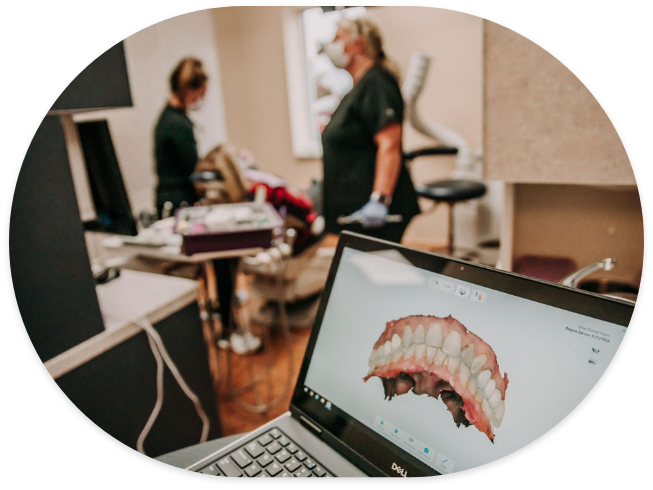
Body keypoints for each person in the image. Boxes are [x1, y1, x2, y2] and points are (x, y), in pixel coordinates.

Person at [320, 16, 420, 243]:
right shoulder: (359, 86)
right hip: (355, 213)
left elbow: (390, 144)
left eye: (338, 38)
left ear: (359, 44)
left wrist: (379, 200)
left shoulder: (377, 82)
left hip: (375, 214)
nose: (332, 46)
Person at [154, 57, 207, 219]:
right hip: (178, 202)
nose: (201, 99)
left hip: (168, 198)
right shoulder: (178, 124)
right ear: (191, 90)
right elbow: (192, 167)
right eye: (201, 93)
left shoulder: (167, 117)